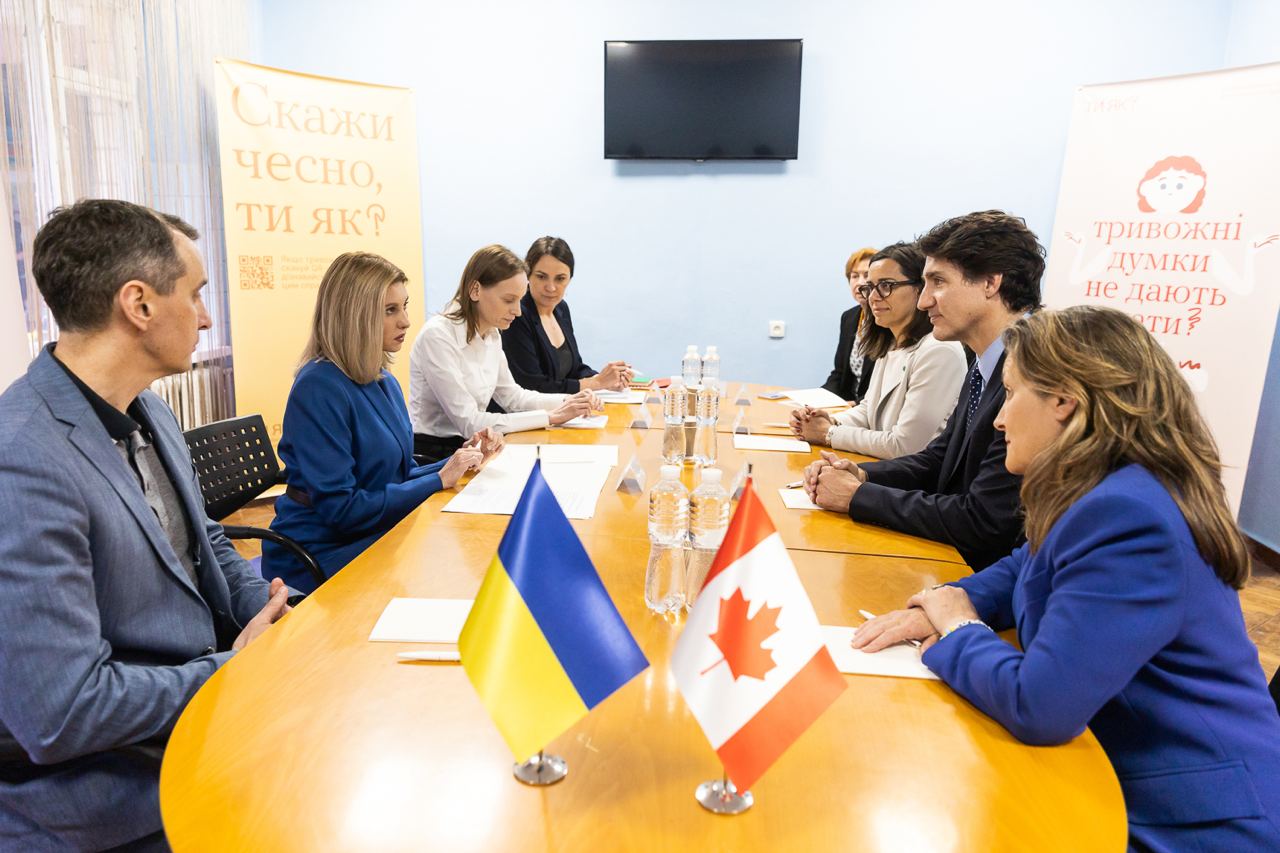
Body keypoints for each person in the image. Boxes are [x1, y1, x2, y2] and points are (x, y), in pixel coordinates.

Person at [854, 307, 1280, 850]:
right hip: (1121, 773)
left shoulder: (1129, 515)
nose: (999, 420)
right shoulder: (1109, 488)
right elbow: (1027, 564)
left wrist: (959, 631)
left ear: (1064, 401)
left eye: (1011, 395)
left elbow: (1041, 707)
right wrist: (946, 599)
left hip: (1190, 820)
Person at [0, 200, 289, 850]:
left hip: (200, 730)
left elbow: (203, 543)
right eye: (197, 293)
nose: (207, 317)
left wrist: (277, 615)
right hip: (114, 802)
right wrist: (234, 670)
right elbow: (63, 710)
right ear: (139, 304)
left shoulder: (148, 410)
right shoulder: (21, 459)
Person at [804, 211, 1040, 571]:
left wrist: (859, 496)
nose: (924, 300)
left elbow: (984, 520)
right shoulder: (984, 363)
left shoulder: (1032, 374)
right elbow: (938, 459)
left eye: (938, 282)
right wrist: (862, 474)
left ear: (991, 283)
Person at [263, 252, 498, 594]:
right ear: (354, 316)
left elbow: (396, 476)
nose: (405, 321)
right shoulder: (318, 387)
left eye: (404, 306)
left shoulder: (384, 380)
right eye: (390, 310)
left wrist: (461, 460)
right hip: (322, 551)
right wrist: (438, 479)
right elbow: (342, 510)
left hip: (371, 531)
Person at [409, 244, 597, 461]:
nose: (517, 311)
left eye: (519, 300)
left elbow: (513, 397)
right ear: (475, 290)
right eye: (509, 300)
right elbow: (469, 422)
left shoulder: (492, 333)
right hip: (434, 454)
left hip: (475, 446)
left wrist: (570, 401)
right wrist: (550, 417)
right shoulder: (437, 336)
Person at [791, 242, 966, 459]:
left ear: (919, 289)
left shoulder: (939, 351)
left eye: (886, 285)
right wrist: (828, 421)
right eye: (869, 287)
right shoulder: (890, 343)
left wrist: (829, 433)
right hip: (882, 466)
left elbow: (905, 446)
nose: (872, 297)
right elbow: (868, 410)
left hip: (911, 475)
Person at [500, 236, 632, 393]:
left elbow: (575, 370)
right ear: (528, 275)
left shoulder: (561, 309)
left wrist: (608, 380)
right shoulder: (517, 315)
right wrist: (597, 383)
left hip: (562, 406)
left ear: (570, 279)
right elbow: (532, 386)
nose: (551, 287)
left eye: (560, 279)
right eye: (541, 276)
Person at [821, 246, 877, 403]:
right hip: (847, 405)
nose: (859, 283)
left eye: (867, 275)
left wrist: (855, 405)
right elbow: (839, 374)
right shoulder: (849, 317)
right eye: (854, 276)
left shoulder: (887, 320)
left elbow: (885, 385)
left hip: (869, 407)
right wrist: (818, 400)